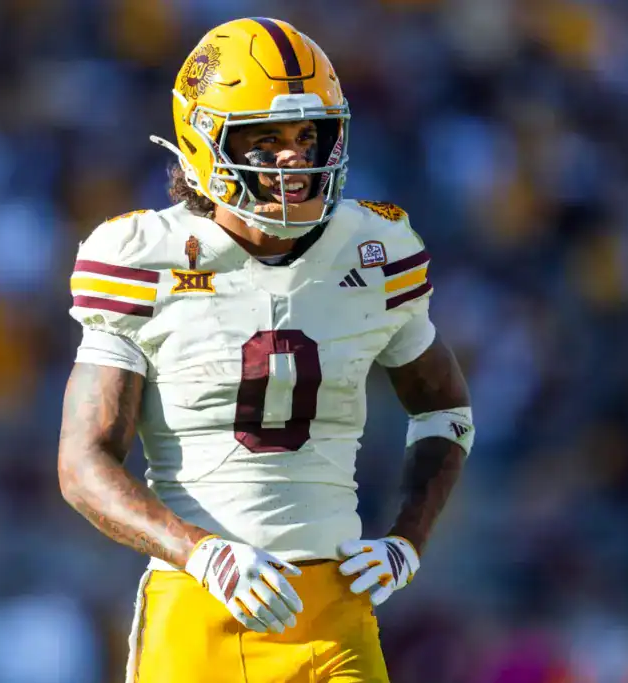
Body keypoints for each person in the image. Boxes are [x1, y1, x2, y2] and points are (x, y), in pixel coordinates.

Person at [57, 16, 474, 683]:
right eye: (266, 139)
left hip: (335, 611)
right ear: (202, 140)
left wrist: (406, 541)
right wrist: (202, 553)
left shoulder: (375, 251)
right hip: (202, 609)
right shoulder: (143, 256)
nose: (294, 158)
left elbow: (445, 411)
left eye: (308, 135)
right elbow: (82, 463)